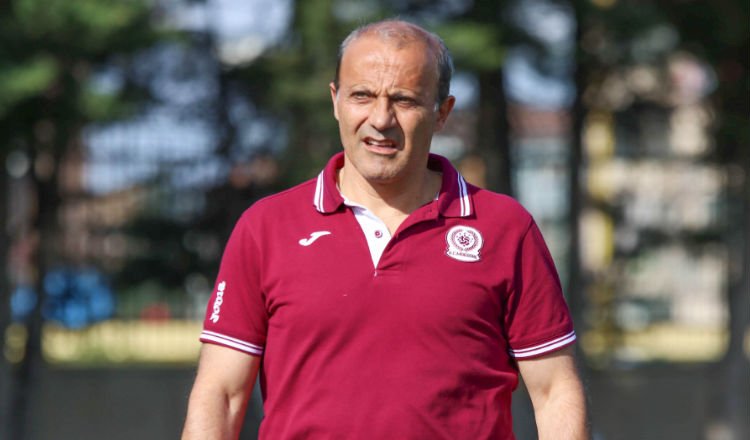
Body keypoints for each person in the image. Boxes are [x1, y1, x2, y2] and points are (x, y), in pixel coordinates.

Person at [182, 19, 588, 440]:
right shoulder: (266, 227)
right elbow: (221, 395)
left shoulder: (505, 228)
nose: (380, 119)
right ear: (336, 100)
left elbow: (554, 391)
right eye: (362, 95)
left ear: (442, 112)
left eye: (404, 100)